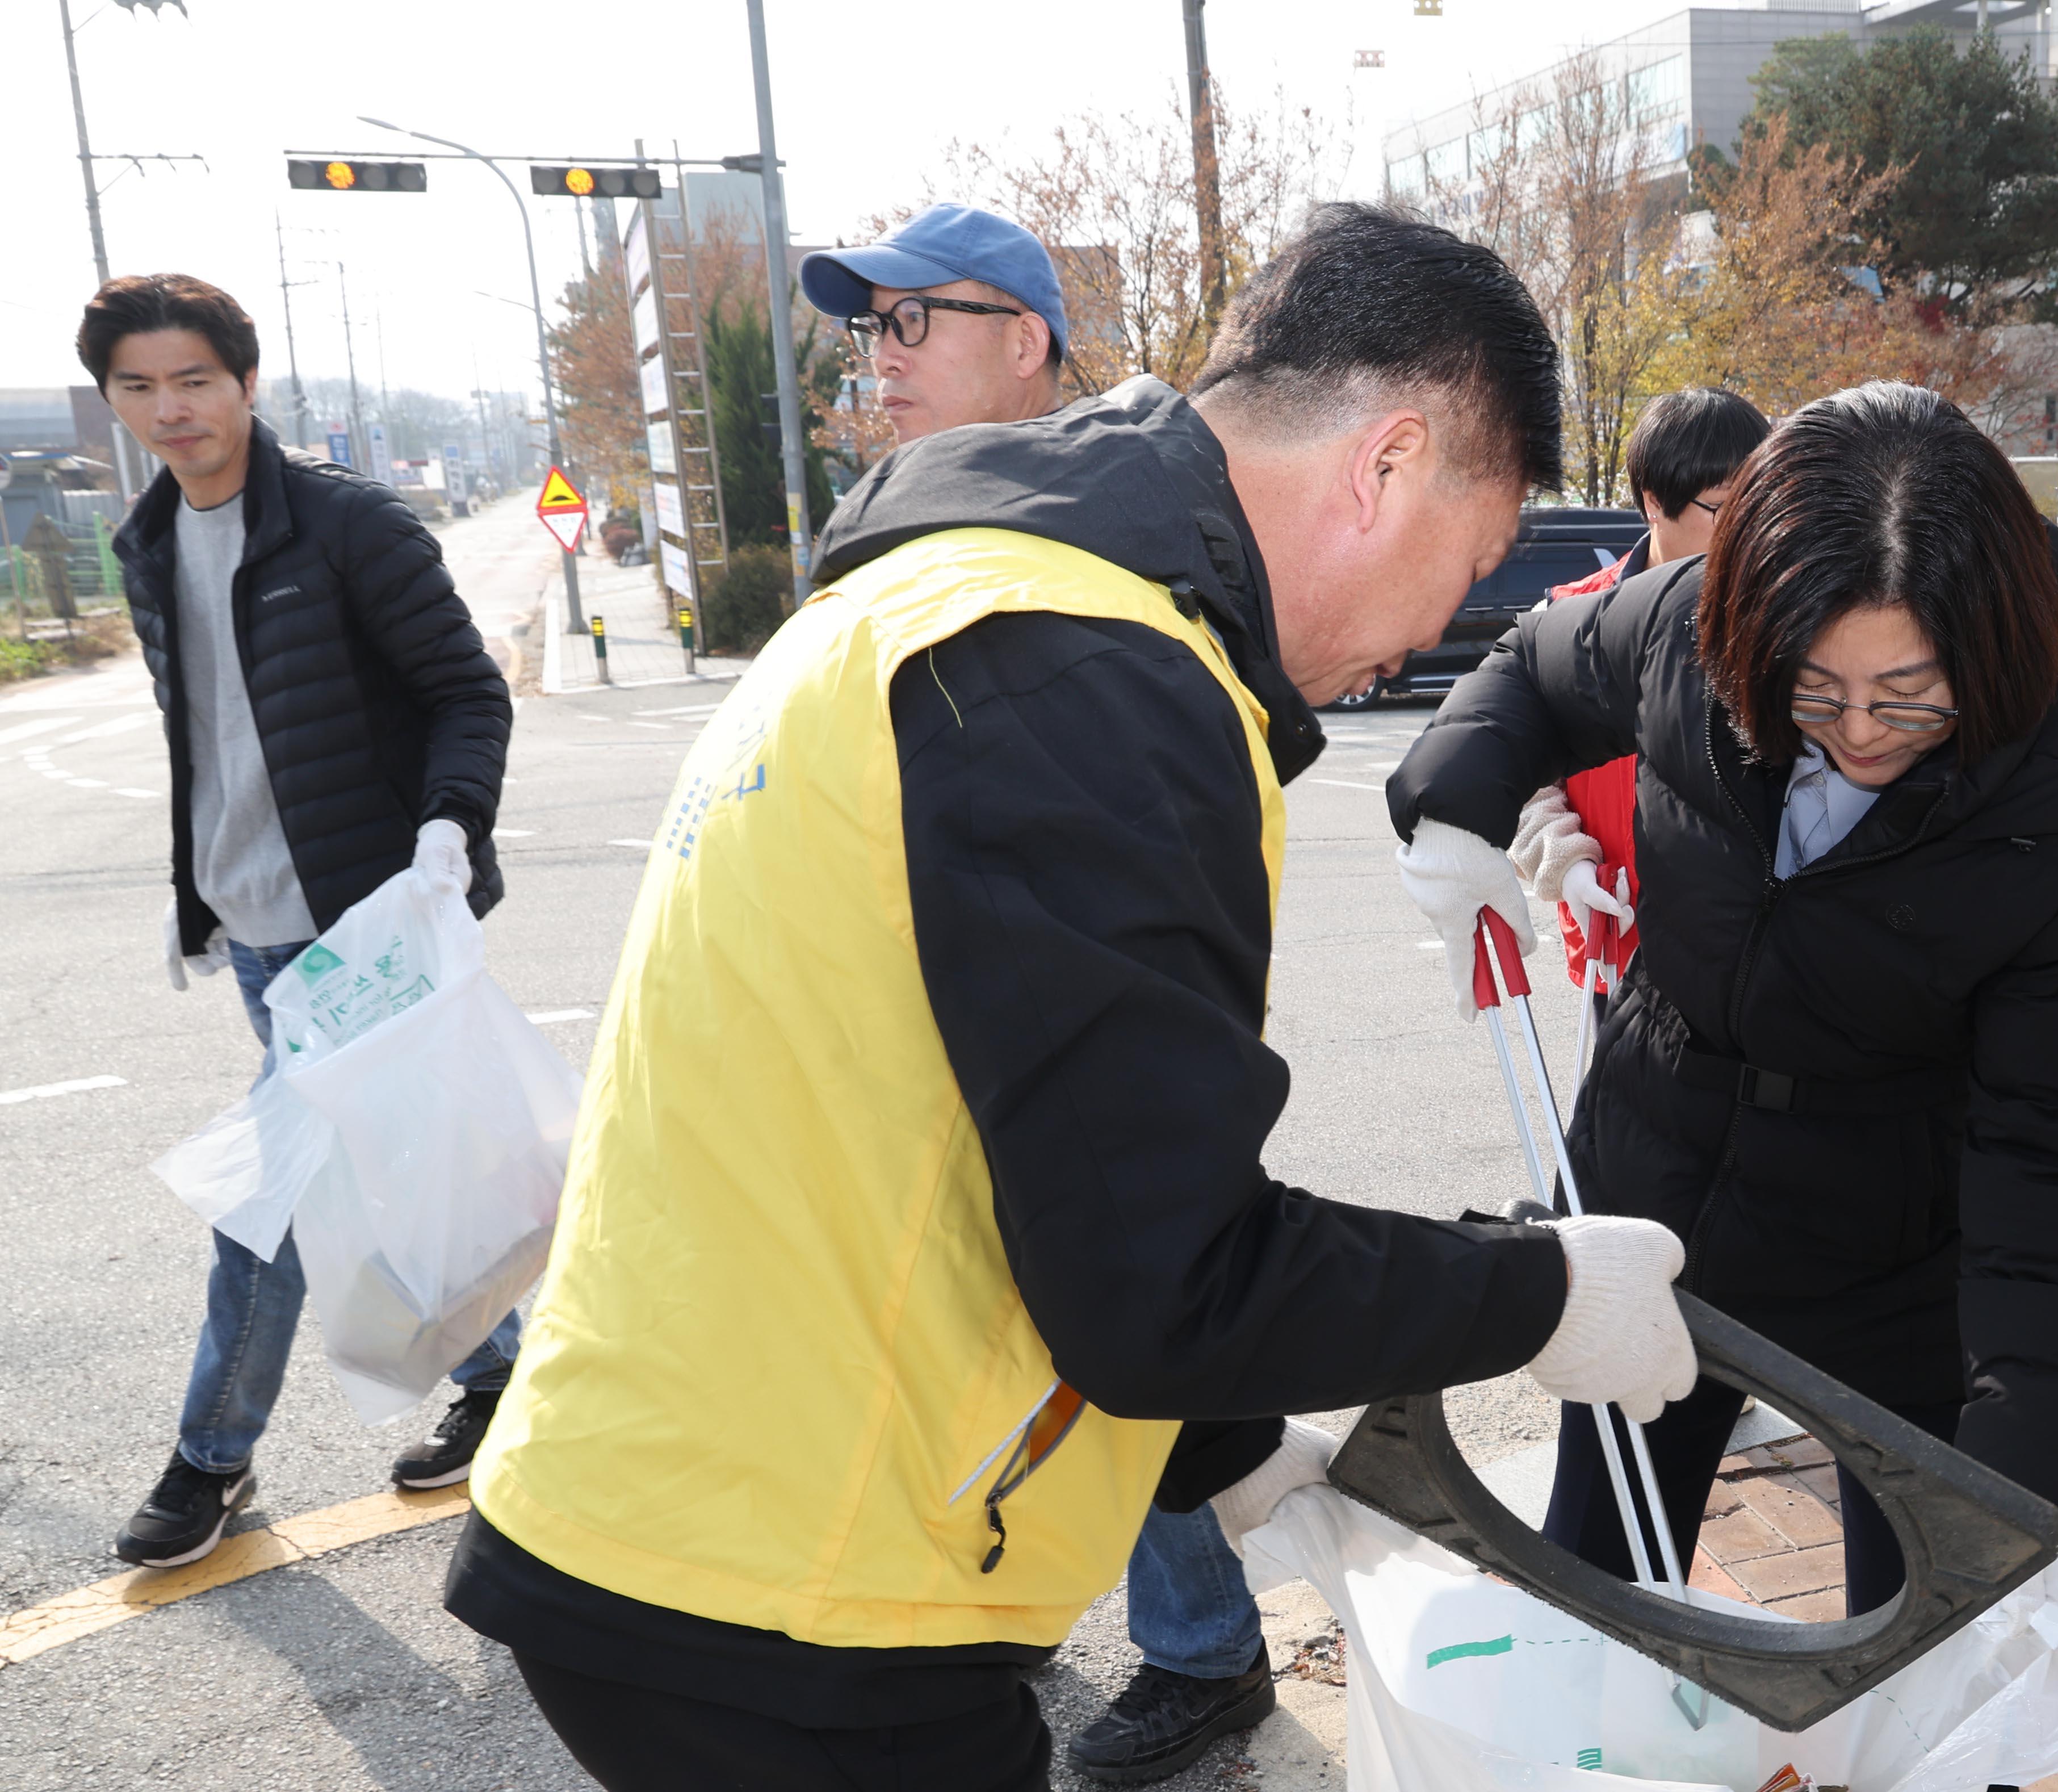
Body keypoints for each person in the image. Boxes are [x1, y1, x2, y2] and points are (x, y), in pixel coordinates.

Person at [443, 206, 1700, 1791]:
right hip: (797, 1602)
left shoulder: (961, 602)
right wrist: (1537, 1293)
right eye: (1459, 569)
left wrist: (1236, 1446)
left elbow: (987, 1135)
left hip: (699, 1528)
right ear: (1385, 467)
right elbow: (1160, 1275)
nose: (1427, 635)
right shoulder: (1095, 671)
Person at [1390, 382, 2058, 1605]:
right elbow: (1532, 670)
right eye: (1811, 689)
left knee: (1918, 1636)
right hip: (1650, 1199)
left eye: (1910, 694)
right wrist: (1453, 808)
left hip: (1892, 1252)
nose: (1858, 734)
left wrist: (2020, 1516)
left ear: (1989, 644)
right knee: (1597, 1593)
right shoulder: (1690, 630)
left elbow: (2055, 1188)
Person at [803, 200, 1267, 1784]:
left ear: (1025, 338)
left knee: (1111, 1300)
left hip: (1065, 1018)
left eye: (911, 323)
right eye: (870, 333)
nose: (882, 361)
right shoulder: (919, 510)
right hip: (930, 1021)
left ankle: (1205, 1644)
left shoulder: (1097, 535)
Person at [87, 274, 516, 1568]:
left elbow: (465, 692)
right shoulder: (144, 546)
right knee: (385, 1175)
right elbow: (207, 740)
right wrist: (198, 893)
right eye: (139, 387)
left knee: (264, 1194)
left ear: (247, 380)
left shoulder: (347, 528)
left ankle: (210, 1455)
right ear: (112, 400)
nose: (172, 410)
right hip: (257, 926)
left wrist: (447, 828)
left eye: (194, 380)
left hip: (366, 922)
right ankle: (507, 1379)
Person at [1509, 387, 1771, 1004]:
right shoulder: (1568, 621)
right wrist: (1566, 864)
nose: (1747, 531)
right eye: (1724, 508)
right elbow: (1519, 772)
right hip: (1620, 950)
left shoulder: (1781, 617)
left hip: (1757, 962)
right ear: (1655, 504)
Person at [798, 201, 1071, 446]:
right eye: (878, 328)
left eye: (915, 317)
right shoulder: (900, 495)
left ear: (1025, 345)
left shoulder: (1099, 493)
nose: (882, 360)